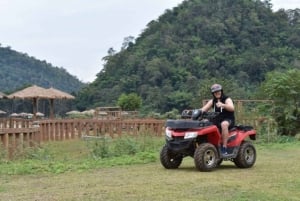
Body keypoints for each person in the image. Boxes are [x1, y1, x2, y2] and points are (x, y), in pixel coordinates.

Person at [200, 84, 235, 155]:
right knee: (205, 122)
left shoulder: (227, 99)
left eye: (218, 91)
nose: (217, 93)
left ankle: (224, 147)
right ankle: (206, 144)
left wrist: (223, 105)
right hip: (217, 119)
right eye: (215, 92)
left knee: (224, 124)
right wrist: (194, 112)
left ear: (221, 91)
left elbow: (232, 108)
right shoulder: (212, 101)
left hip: (228, 119)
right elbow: (203, 109)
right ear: (213, 93)